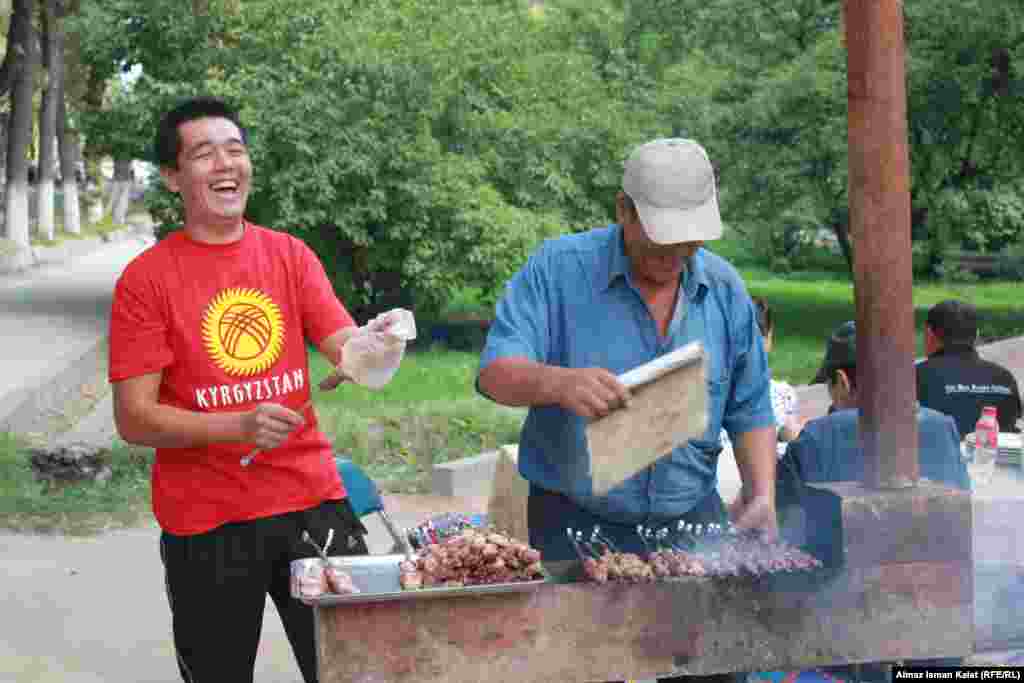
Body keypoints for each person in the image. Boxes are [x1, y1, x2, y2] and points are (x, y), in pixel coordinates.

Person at [477, 138, 778, 683]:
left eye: (689, 242)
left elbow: (751, 403)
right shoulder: (558, 269)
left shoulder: (725, 289)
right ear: (623, 210)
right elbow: (495, 372)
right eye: (662, 241)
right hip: (575, 520)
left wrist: (763, 492)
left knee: (712, 666)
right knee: (581, 665)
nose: (676, 256)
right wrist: (556, 382)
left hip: (692, 518)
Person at [108, 97, 383, 683]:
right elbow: (134, 418)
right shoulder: (146, 280)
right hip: (206, 522)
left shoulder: (289, 255)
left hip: (311, 505)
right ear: (172, 177)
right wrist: (238, 425)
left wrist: (376, 347)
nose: (225, 163)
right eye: (204, 153)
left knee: (357, 669)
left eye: (235, 149)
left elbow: (345, 347)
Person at [773, 320, 968, 683]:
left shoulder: (817, 436)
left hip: (845, 639)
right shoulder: (943, 426)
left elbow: (781, 524)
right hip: (939, 637)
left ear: (842, 383)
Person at [916, 299, 1022, 437]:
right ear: (977, 335)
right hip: (998, 457)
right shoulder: (1005, 377)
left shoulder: (915, 377)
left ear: (929, 333)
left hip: (944, 457)